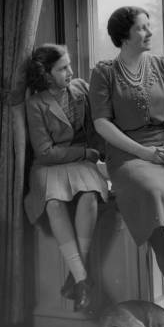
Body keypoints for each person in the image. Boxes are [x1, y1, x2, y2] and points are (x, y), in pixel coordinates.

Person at [89, 6, 164, 327]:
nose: (150, 32)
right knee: (152, 198)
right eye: (142, 28)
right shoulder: (104, 72)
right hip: (127, 155)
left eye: (149, 26)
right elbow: (102, 123)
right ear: (124, 35)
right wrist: (144, 154)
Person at [24, 44, 108, 312]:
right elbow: (45, 152)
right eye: (62, 68)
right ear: (46, 75)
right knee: (53, 204)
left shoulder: (81, 89)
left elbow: (97, 127)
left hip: (82, 163)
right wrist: (83, 151)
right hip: (50, 165)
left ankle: (77, 278)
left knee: (90, 197)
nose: (70, 72)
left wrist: (98, 153)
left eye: (69, 65)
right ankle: (83, 278)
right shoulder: (35, 104)